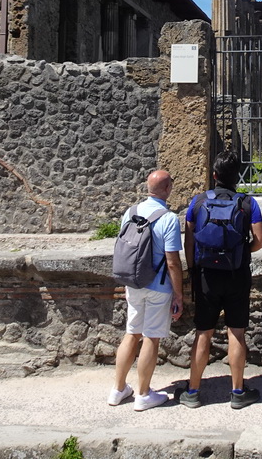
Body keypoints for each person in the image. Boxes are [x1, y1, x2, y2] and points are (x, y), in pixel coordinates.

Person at [179, 150, 262, 409]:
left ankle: (193, 391)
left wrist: (195, 269)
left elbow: (189, 241)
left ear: (214, 175)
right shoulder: (248, 203)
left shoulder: (197, 202)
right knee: (236, 332)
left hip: (206, 274)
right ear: (237, 176)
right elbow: (260, 241)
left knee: (203, 332)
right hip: (237, 273)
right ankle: (238, 391)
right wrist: (239, 253)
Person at [108, 169, 184, 411]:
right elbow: (172, 261)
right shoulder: (168, 219)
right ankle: (143, 394)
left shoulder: (130, 213)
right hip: (158, 286)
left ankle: (118, 390)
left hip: (133, 283)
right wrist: (179, 294)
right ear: (167, 189)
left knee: (132, 333)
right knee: (151, 336)